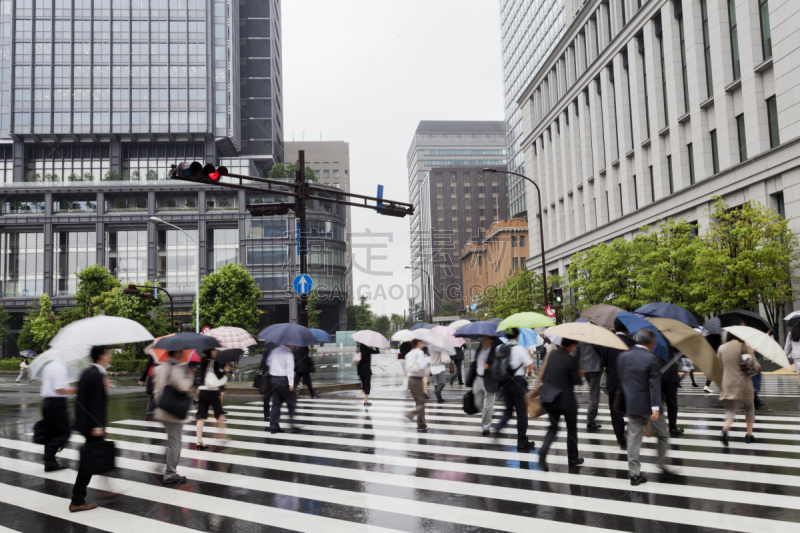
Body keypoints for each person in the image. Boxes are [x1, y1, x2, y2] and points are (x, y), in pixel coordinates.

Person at [619, 329, 674, 486]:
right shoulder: (652, 359)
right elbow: (654, 384)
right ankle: (662, 465)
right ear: (651, 342)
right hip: (650, 407)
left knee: (634, 439)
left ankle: (634, 475)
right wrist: (655, 407)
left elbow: (622, 380)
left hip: (632, 405)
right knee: (663, 435)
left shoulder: (623, 356)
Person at [70, 346, 112, 513]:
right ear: (101, 355)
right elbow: (95, 403)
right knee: (89, 462)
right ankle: (77, 500)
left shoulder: (89, 372)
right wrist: (97, 426)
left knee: (96, 457)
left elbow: (83, 399)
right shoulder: (96, 375)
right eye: (108, 353)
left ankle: (105, 489)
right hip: (92, 426)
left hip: (86, 424)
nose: (110, 356)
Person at [536, 337, 583, 470]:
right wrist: (580, 375)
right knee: (571, 430)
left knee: (553, 428)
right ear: (572, 345)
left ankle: (543, 452)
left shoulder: (551, 355)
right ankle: (573, 459)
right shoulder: (571, 359)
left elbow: (544, 376)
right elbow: (576, 381)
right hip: (566, 400)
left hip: (550, 398)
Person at [153, 350, 195, 485]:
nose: (183, 354)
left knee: (171, 440)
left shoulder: (158, 368)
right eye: (181, 352)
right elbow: (185, 387)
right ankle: (170, 474)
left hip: (162, 409)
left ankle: (166, 464)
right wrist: (190, 375)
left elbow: (155, 390)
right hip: (173, 413)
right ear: (176, 353)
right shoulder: (176, 369)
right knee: (175, 443)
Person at [491, 329, 534, 449]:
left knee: (508, 410)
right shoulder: (520, 349)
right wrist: (529, 354)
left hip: (504, 383)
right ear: (517, 336)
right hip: (518, 383)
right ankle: (522, 440)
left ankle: (498, 427)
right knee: (521, 413)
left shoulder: (499, 348)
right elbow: (530, 366)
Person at [599, 318, 636, 449]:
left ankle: (621, 440)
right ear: (626, 329)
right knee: (633, 411)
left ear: (614, 328)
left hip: (613, 383)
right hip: (630, 383)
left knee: (616, 413)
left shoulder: (607, 343)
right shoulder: (631, 343)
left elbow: (604, 365)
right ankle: (630, 433)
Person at [718, 332, 758, 445]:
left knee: (731, 409)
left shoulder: (722, 348)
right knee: (749, 407)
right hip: (744, 382)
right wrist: (755, 367)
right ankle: (749, 435)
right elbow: (752, 366)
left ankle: (725, 430)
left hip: (729, 382)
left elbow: (720, 365)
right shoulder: (744, 346)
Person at [41, 359, 75, 472]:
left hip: (47, 403)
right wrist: (71, 390)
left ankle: (50, 462)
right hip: (56, 404)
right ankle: (49, 459)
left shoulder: (49, 365)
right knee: (64, 433)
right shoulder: (60, 367)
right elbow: (59, 389)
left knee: (51, 433)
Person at [194, 351, 228, 450]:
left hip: (202, 392)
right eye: (215, 350)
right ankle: (222, 436)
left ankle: (199, 441)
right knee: (220, 414)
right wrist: (225, 371)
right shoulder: (215, 362)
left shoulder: (202, 362)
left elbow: (198, 377)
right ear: (211, 351)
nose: (216, 352)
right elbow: (219, 377)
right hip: (212, 392)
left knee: (201, 417)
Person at [470, 335, 501, 436]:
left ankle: (486, 426)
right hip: (478, 378)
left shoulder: (496, 349)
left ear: (490, 340)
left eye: (484, 338)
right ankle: (490, 411)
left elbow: (500, 365)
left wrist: (489, 366)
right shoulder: (480, 347)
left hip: (490, 380)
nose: (482, 339)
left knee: (487, 405)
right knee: (478, 403)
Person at [268, 343, 299, 433]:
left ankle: (274, 425)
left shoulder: (274, 350)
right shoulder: (288, 354)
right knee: (292, 400)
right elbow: (290, 370)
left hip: (273, 379)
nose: (293, 345)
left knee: (276, 403)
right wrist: (291, 384)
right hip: (283, 380)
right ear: (289, 344)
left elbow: (268, 362)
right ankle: (293, 423)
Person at [577, 341, 603, 432]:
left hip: (585, 368)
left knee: (593, 393)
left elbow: (577, 352)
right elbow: (601, 350)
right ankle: (590, 419)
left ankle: (590, 418)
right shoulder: (595, 338)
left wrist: (579, 368)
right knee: (594, 394)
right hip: (595, 367)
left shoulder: (581, 338)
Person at [404, 339, 430, 431]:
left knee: (419, 402)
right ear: (418, 343)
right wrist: (426, 359)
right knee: (421, 403)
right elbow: (421, 366)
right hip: (417, 379)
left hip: (410, 379)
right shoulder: (419, 352)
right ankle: (410, 414)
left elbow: (407, 368)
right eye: (422, 342)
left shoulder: (409, 354)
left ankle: (422, 425)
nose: (423, 344)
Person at [662, 347, 683, 438]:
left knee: (655, 403)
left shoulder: (653, 339)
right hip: (671, 375)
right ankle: (673, 428)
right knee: (672, 404)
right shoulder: (672, 340)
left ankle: (656, 427)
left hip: (657, 375)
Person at [138, 356, 157, 421]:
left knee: (153, 398)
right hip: (155, 379)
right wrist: (142, 379)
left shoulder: (155, 354)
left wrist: (142, 379)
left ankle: (149, 414)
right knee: (154, 397)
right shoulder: (155, 355)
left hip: (154, 379)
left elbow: (147, 367)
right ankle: (149, 414)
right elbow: (148, 367)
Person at [785, 322, 800, 388]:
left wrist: (785, 354)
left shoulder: (791, 333)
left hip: (797, 355)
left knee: (799, 372)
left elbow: (788, 346)